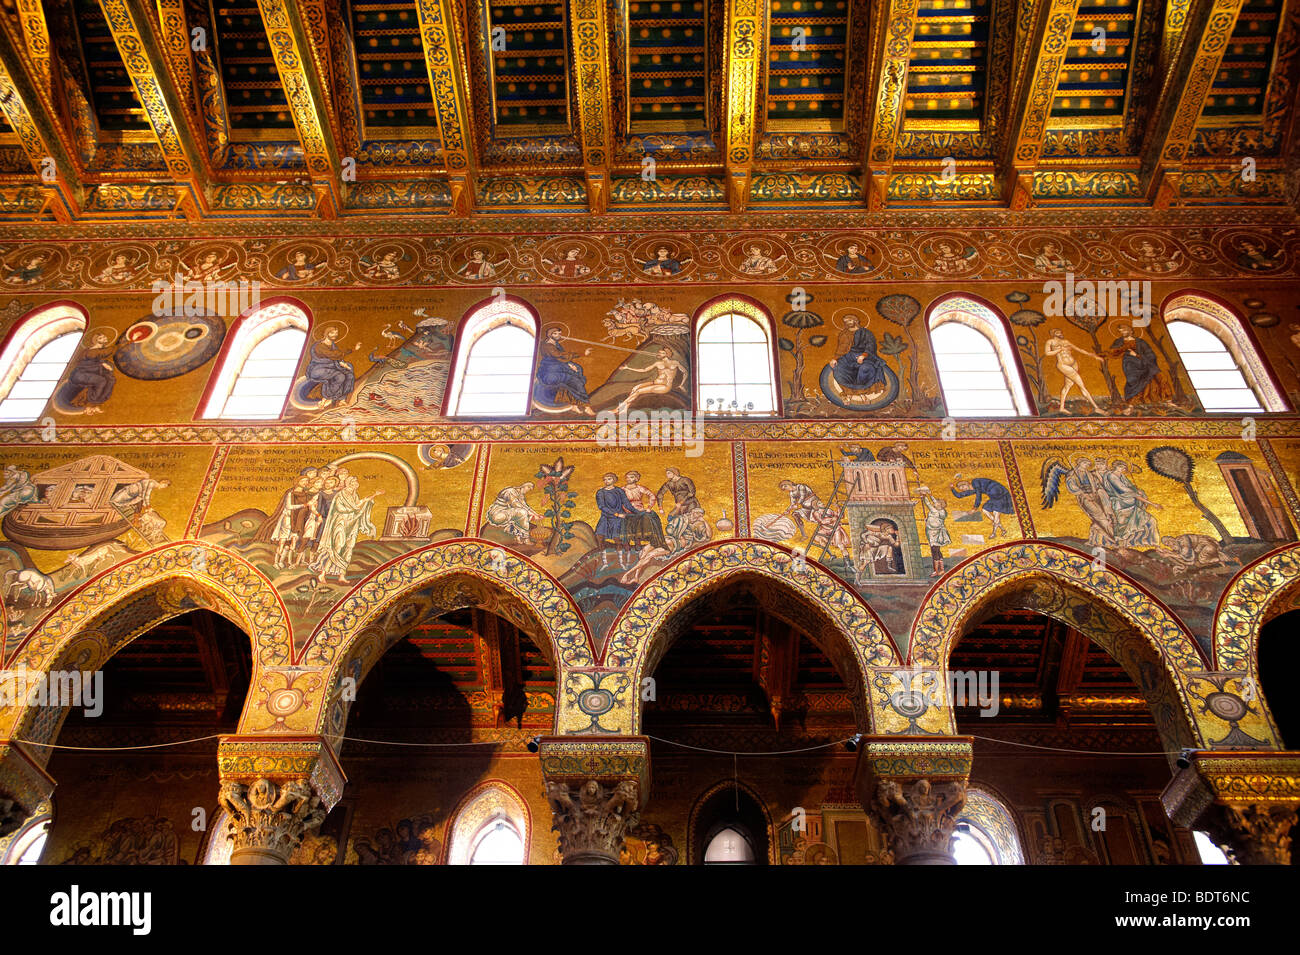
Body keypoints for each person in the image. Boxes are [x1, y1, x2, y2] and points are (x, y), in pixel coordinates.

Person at [310, 475, 381, 583]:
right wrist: (353, 509)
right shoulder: (341, 495)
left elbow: (358, 504)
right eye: (353, 482)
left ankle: (341, 575)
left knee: (348, 548)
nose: (355, 484)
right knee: (337, 547)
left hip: (351, 523)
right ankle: (322, 573)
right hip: (340, 523)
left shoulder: (355, 495)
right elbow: (340, 508)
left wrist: (371, 498)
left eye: (356, 483)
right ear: (349, 484)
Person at [1105, 323, 1174, 412]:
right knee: (1133, 381)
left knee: (1160, 376)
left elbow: (1151, 354)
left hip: (1144, 362)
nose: (1123, 333)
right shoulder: (1119, 342)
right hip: (1130, 365)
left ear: (1129, 330)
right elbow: (1113, 352)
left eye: (1124, 331)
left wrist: (1137, 355)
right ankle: (1131, 405)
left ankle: (1168, 401)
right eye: (1121, 332)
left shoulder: (1140, 342)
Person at [533, 326, 594, 412]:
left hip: (558, 365)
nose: (558, 336)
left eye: (559, 334)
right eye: (555, 334)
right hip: (551, 371)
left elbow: (562, 357)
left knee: (578, 369)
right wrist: (582, 353)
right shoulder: (548, 346)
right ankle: (586, 406)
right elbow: (561, 355)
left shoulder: (555, 343)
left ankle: (574, 404)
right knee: (575, 381)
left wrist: (569, 364)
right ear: (550, 335)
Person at [1102, 460, 1161, 548]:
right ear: (1115, 466)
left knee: (1151, 521)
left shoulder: (1122, 476)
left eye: (1124, 467)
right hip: (1121, 505)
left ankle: (1154, 544)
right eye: (1120, 466)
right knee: (1123, 526)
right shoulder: (1111, 476)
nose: (1122, 469)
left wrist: (1137, 491)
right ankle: (1121, 547)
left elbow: (1130, 487)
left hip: (1131, 504)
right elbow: (1123, 489)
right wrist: (1151, 503)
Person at [1045, 328, 1103, 413]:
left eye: (1061, 332)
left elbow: (1079, 349)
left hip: (1073, 364)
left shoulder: (1066, 342)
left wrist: (1094, 356)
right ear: (1054, 334)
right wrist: (1059, 350)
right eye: (1058, 332)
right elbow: (1047, 353)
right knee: (1081, 385)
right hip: (1063, 365)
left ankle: (1062, 408)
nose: (1061, 333)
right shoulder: (1050, 342)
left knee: (1067, 386)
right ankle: (1096, 407)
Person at [59, 331, 118, 413]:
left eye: (104, 337)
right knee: (101, 381)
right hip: (80, 374)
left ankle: (99, 399)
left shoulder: (97, 351)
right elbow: (101, 355)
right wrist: (102, 364)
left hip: (87, 373)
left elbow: (100, 358)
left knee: (111, 379)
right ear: (96, 341)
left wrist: (104, 364)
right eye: (101, 338)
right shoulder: (91, 351)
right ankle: (92, 400)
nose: (105, 338)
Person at [615, 346, 686, 414]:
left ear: (667, 354)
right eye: (659, 353)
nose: (659, 354)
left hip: (665, 386)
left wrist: (681, 384)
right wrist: (628, 368)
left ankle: (617, 409)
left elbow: (685, 372)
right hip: (655, 383)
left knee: (638, 391)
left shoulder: (675, 363)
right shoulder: (658, 363)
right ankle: (624, 410)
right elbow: (644, 370)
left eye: (661, 353)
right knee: (635, 388)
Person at [305, 326, 360, 409]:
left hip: (331, 367)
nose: (335, 335)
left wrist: (343, 364)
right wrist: (352, 350)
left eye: (336, 333)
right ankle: (324, 399)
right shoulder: (319, 346)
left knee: (349, 375)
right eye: (332, 333)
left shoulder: (332, 345)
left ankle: (342, 400)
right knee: (340, 376)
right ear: (327, 334)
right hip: (318, 369)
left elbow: (337, 358)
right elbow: (333, 355)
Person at [830, 314, 889, 391]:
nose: (848, 323)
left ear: (855, 321)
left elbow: (870, 346)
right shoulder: (844, 334)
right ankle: (849, 390)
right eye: (846, 321)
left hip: (866, 356)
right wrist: (835, 358)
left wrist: (863, 355)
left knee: (865, 368)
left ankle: (862, 389)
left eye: (850, 320)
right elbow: (841, 348)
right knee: (838, 368)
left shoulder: (866, 332)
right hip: (849, 357)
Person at [622, 471, 665, 548]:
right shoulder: (622, 489)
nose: (629, 479)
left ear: (636, 478)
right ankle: (626, 543)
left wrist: (649, 507)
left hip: (639, 509)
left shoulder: (639, 488)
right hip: (626, 510)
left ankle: (638, 542)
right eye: (627, 477)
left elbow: (652, 496)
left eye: (631, 477)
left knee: (644, 520)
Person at [916, 485, 950, 576]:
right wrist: (930, 495)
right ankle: (941, 569)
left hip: (935, 533)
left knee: (934, 551)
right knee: (937, 550)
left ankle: (936, 570)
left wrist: (924, 497)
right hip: (933, 532)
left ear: (939, 505)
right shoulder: (941, 511)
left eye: (937, 503)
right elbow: (934, 503)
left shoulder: (936, 511)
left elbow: (929, 504)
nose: (935, 503)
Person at [595, 472, 635, 545]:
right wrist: (616, 514)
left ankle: (621, 554)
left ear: (614, 480)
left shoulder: (619, 491)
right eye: (605, 479)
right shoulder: (600, 492)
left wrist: (637, 512)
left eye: (609, 479)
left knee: (618, 537)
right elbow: (602, 506)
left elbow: (626, 503)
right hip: (606, 516)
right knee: (599, 536)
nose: (606, 481)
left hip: (619, 518)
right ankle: (602, 553)